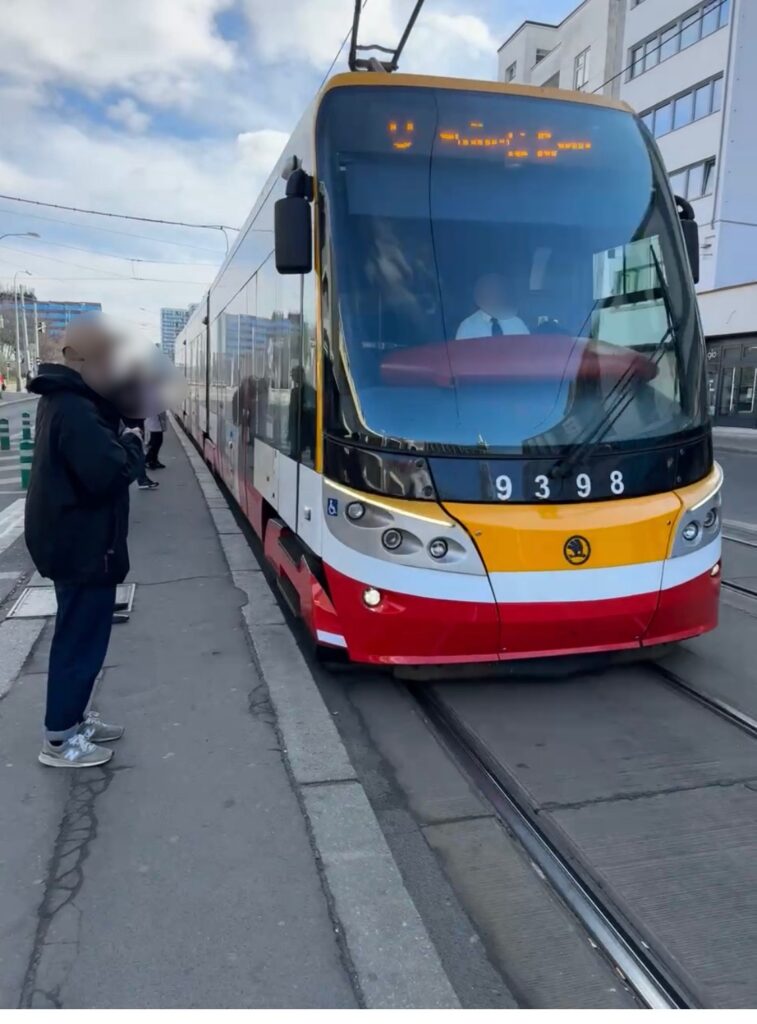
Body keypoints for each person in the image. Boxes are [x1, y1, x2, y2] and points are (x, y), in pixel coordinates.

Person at [25, 318, 145, 768]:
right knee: (79, 640)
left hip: (77, 540)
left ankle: (74, 720)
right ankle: (59, 739)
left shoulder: (70, 400)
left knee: (83, 636)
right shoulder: (74, 409)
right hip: (82, 546)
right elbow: (107, 473)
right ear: (87, 363)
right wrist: (132, 445)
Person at [456, 273, 530, 339]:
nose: (495, 295)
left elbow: (528, 350)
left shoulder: (517, 323)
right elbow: (460, 353)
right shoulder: (467, 326)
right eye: (490, 291)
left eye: (499, 291)